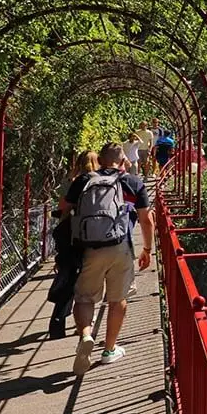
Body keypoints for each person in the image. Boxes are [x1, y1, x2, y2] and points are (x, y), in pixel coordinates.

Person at [61, 141, 155, 373]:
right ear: (123, 162)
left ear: (99, 161)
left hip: (88, 247)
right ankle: (109, 350)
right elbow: (146, 220)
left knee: (84, 297)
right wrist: (147, 250)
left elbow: (63, 208)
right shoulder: (133, 182)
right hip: (121, 246)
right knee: (117, 298)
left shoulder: (84, 180)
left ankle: (85, 334)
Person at [47, 150, 98, 338]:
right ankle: (84, 323)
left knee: (68, 275)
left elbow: (63, 209)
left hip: (70, 233)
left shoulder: (70, 181)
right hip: (93, 235)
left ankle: (58, 321)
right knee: (86, 281)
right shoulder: (99, 180)